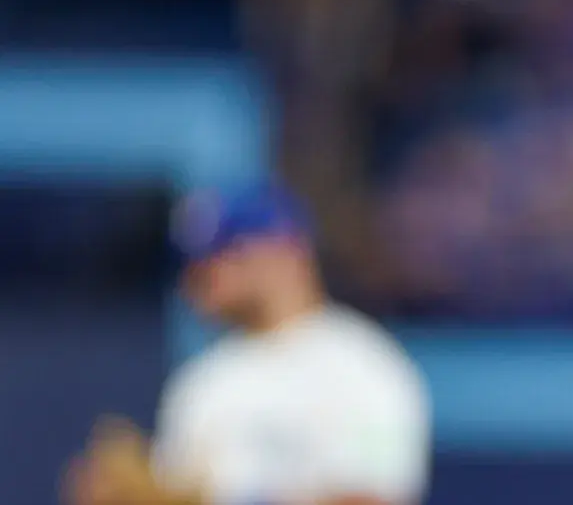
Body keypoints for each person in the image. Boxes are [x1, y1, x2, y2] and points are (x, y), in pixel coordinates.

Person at [61, 186, 431, 505]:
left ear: (282, 249)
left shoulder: (362, 365)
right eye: (194, 263)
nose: (200, 276)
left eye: (223, 255)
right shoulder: (204, 380)